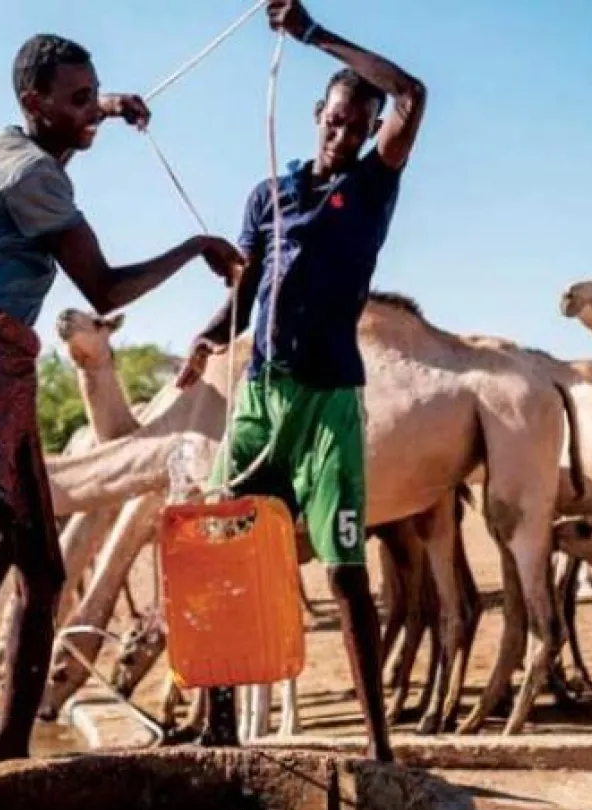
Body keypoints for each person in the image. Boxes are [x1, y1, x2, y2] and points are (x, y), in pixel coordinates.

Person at [0, 33, 244, 810]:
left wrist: (101, 111)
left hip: (10, 363)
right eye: (77, 100)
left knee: (43, 572)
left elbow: (61, 140)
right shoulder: (31, 172)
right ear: (36, 102)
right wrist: (197, 248)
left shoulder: (12, 146)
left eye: (95, 95)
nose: (92, 111)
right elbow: (105, 286)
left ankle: (7, 754)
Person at [174, 0, 427, 762]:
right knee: (223, 550)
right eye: (336, 119)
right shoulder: (268, 197)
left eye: (358, 124)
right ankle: (218, 730)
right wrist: (208, 334)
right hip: (260, 395)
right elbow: (247, 296)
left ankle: (380, 747)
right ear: (318, 113)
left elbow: (415, 95)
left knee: (347, 574)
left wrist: (312, 33)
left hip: (328, 402)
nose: (342, 133)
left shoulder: (374, 187)